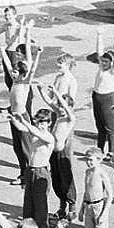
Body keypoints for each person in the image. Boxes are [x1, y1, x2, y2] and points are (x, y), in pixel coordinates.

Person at [1, 22, 40, 185]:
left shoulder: (24, 82)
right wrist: (2, 51)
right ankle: (23, 173)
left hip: (22, 117)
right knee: (17, 147)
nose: (12, 73)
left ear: (21, 73)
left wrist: (37, 55)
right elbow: (9, 64)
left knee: (26, 148)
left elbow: (32, 68)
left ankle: (31, 176)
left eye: (15, 72)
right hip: (13, 116)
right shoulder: (15, 81)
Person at [10, 107, 56, 228]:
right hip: (30, 171)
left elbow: (30, 129)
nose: (40, 124)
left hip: (41, 173)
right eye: (39, 121)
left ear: (49, 123)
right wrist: (13, 119)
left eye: (43, 122)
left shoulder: (48, 137)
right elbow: (21, 128)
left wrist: (24, 121)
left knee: (40, 209)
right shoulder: (35, 133)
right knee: (29, 206)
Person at [36, 87, 77, 220]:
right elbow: (49, 102)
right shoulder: (59, 116)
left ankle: (72, 206)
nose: (60, 107)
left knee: (66, 179)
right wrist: (40, 90)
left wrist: (58, 94)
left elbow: (64, 105)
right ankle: (62, 206)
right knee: (57, 181)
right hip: (52, 153)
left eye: (63, 105)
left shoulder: (70, 118)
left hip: (62, 153)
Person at [78, 147, 114, 228]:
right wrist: (81, 209)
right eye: (87, 160)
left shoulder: (102, 174)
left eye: (91, 160)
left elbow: (110, 196)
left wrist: (104, 213)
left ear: (99, 160)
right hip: (88, 205)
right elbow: (86, 191)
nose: (89, 162)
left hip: (99, 206)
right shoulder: (88, 172)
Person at [92, 28, 114, 153]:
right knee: (100, 126)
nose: (103, 63)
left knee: (109, 128)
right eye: (102, 61)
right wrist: (99, 35)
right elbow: (99, 52)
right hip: (96, 96)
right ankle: (99, 149)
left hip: (107, 99)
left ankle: (112, 151)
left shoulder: (113, 72)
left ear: (111, 62)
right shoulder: (101, 68)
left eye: (106, 61)